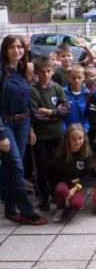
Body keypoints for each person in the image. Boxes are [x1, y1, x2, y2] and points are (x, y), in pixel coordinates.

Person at [0, 35, 48, 225]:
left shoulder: (20, 71)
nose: (17, 50)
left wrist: (31, 127)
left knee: (13, 169)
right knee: (17, 168)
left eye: (20, 47)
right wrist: (1, 135)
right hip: (6, 125)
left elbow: (26, 102)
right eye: (12, 47)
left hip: (23, 124)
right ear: (5, 50)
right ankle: (27, 211)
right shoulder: (2, 72)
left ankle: (11, 208)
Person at [30, 56, 70, 211]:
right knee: (42, 167)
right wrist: (56, 114)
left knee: (56, 165)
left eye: (48, 71)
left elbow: (66, 109)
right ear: (36, 72)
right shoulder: (32, 91)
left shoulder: (57, 88)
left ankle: (55, 194)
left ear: (53, 71)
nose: (46, 75)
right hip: (41, 136)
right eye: (42, 72)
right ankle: (44, 197)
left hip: (57, 133)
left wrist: (51, 112)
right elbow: (35, 115)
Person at [50, 123, 92, 222]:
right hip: (64, 181)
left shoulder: (87, 153)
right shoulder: (59, 154)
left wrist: (76, 187)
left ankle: (79, 199)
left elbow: (88, 174)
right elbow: (53, 174)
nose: (77, 142)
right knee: (60, 190)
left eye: (80, 138)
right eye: (73, 139)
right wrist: (68, 181)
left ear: (84, 137)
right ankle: (60, 208)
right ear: (67, 139)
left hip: (79, 184)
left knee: (76, 205)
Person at [64, 64, 91, 133]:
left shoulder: (87, 94)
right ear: (68, 78)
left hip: (82, 131)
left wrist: (86, 128)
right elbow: (60, 115)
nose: (76, 80)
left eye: (79, 77)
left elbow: (88, 114)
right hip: (66, 131)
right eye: (73, 78)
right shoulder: (63, 93)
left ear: (84, 77)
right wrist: (64, 130)